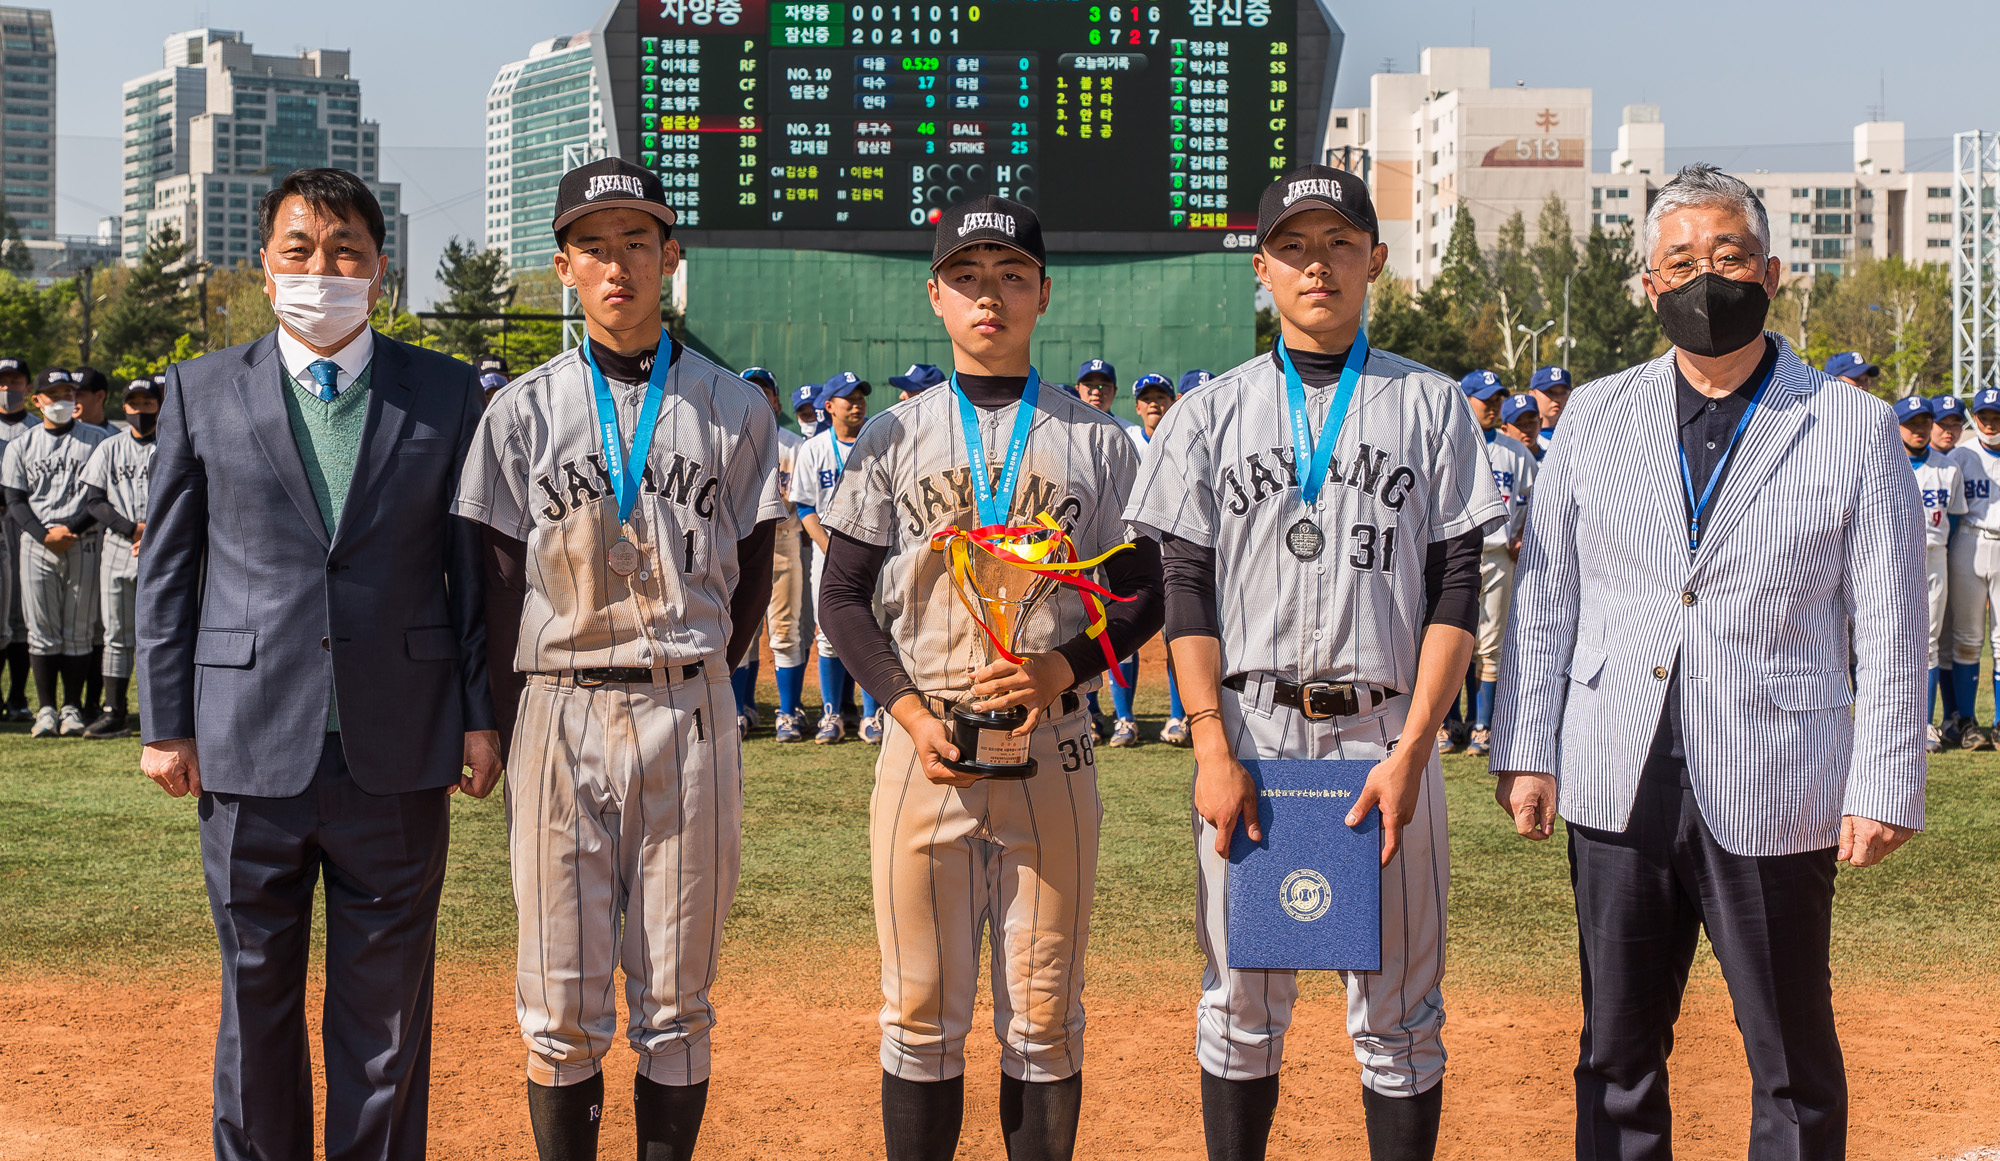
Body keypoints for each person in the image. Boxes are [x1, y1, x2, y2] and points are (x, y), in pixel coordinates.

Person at [1490, 162, 1926, 1161]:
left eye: (1726, 257)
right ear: (1647, 286)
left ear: (1770, 273)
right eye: (1678, 261)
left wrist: (1885, 782)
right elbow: (1547, 595)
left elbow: (1893, 624)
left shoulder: (1852, 428)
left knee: (1788, 1062)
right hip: (1614, 778)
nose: (1702, 277)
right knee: (1614, 1056)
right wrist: (1524, 747)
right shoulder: (1591, 419)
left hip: (1774, 775)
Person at [1126, 164, 1502, 1161]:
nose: (1317, 265)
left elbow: (1455, 585)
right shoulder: (1209, 414)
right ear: (1261, 268)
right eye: (1294, 246)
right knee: (1241, 1005)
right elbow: (1185, 587)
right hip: (1250, 731)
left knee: (1397, 1018)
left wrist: (1417, 747)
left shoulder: (1429, 406)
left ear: (1373, 259)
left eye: (1337, 243)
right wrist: (1208, 745)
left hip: (1382, 731)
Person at [137, 167, 502, 1161]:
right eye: (300, 250)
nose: (322, 270)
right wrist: (164, 723)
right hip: (245, 744)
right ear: (265, 267)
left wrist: (480, 715)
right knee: (253, 998)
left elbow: (468, 575)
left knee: (386, 1020)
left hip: (400, 741)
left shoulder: (443, 392)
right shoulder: (201, 390)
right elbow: (167, 573)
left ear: (379, 271)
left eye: (346, 253)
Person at [816, 194, 1162, 1161]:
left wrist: (1064, 664)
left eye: (1011, 276)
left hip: (1053, 747)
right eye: (967, 276)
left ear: (1044, 294)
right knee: (919, 1013)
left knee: (1044, 1018)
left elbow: (1145, 591)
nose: (989, 296)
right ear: (935, 294)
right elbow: (840, 595)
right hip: (923, 747)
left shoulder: (1098, 440)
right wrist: (906, 708)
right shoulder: (891, 434)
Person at [453, 156, 782, 1161]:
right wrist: (490, 719)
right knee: (558, 999)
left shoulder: (733, 406)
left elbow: (756, 574)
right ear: (563, 267)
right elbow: (493, 579)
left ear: (668, 258)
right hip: (556, 704)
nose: (617, 265)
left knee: (677, 997)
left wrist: (694, 677)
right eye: (594, 246)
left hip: (687, 707)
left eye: (637, 241)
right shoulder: (519, 411)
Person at [3, 368, 108, 737]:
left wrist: (71, 529)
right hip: (36, 543)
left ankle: (72, 708)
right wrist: (43, 534)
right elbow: (14, 499)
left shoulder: (97, 440)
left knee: (78, 630)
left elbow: (100, 495)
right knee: (41, 630)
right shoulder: (21, 445)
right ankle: (45, 708)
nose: (62, 400)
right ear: (37, 400)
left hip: (84, 540)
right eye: (54, 394)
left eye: (68, 393)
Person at [792, 370, 875, 743]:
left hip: (875, 554)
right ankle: (832, 715)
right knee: (828, 633)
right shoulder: (814, 449)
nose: (856, 403)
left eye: (860, 397)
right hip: (828, 557)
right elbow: (805, 506)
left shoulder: (879, 442)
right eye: (848, 398)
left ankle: (872, 715)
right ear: (829, 406)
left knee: (875, 632)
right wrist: (830, 549)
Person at [1456, 370, 1536, 759]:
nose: (1492, 406)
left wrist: (1524, 534)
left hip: (1499, 552)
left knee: (1490, 644)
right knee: (1451, 639)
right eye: (1484, 399)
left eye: (1496, 399)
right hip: (1456, 554)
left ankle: (1483, 726)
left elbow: (1534, 500)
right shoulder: (1450, 440)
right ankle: (1449, 722)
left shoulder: (1515, 451)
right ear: (1466, 399)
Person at [77, 378, 161, 738]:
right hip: (118, 548)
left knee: (167, 634)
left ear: (160, 405)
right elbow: (93, 500)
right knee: (116, 635)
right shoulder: (109, 447)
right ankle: (115, 712)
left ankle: (166, 714)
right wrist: (131, 529)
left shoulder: (176, 443)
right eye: (134, 404)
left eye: (147, 403)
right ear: (124, 406)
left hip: (167, 551)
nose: (140, 411)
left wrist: (157, 532)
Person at [1073, 357, 1140, 739]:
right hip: (1080, 547)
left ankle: (1125, 716)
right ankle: (1091, 711)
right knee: (1083, 624)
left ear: (1115, 391)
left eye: (1104, 384)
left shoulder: (1128, 434)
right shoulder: (1069, 427)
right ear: (1078, 388)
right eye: (1089, 384)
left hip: (1119, 543)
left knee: (1119, 625)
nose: (1096, 390)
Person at [1895, 396, 1964, 754]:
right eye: (1911, 422)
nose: (1919, 429)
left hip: (1933, 556)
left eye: (1924, 422)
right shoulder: (1886, 461)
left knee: (1930, 643)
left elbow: (1954, 519)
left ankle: (1925, 723)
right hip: (1891, 557)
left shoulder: (1947, 468)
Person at [1945, 388, 2000, 749]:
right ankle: (1967, 721)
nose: (1991, 423)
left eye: (1997, 416)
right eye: (1984, 417)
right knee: (1967, 639)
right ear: (1974, 419)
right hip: (1969, 538)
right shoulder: (1961, 455)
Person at [1929, 393, 1970, 732]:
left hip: (1953, 556)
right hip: (1927, 558)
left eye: (1956, 424)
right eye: (1943, 423)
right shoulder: (1908, 458)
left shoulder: (1956, 462)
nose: (1950, 430)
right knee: (1932, 641)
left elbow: (1955, 520)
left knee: (1953, 640)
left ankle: (1954, 716)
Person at [0, 354, 31, 721]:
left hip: (26, 526)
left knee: (23, 617)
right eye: (2, 381)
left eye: (15, 380)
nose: (8, 388)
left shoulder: (37, 429)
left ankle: (19, 697)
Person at [1527, 365, 1571, 459]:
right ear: (1531, 395)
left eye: (1563, 392)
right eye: (1550, 392)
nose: (1557, 398)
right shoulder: (1523, 437)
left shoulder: (1577, 436)